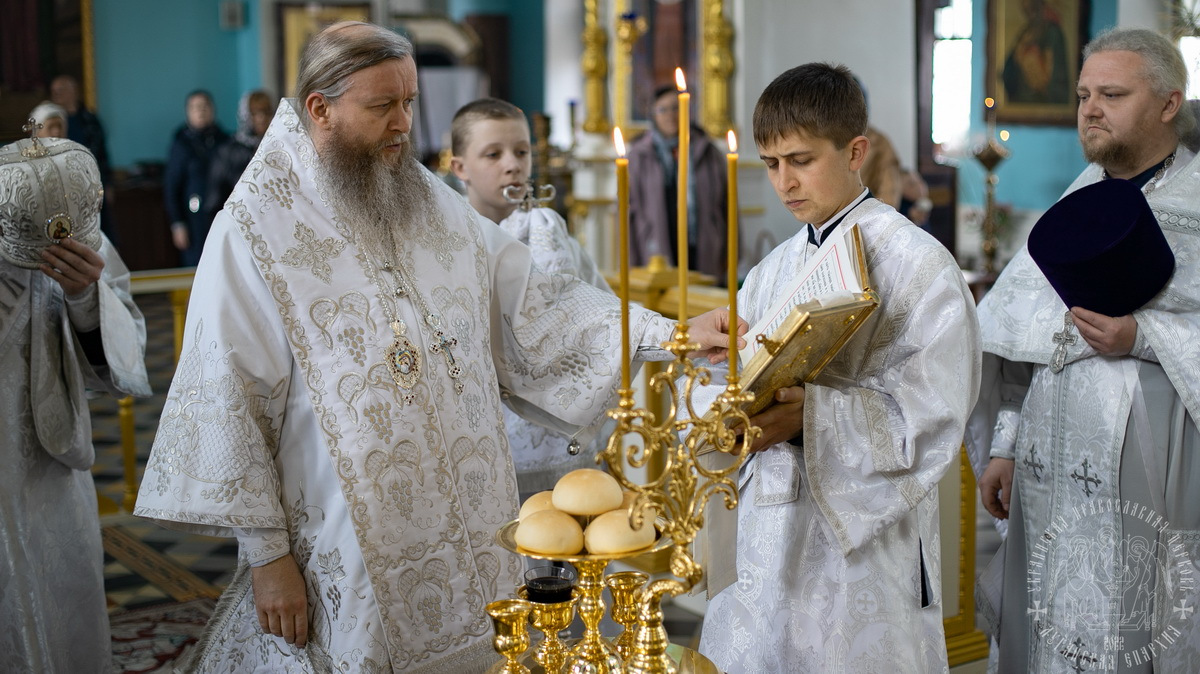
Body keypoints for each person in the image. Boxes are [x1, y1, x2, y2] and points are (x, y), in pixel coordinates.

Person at [133, 22, 735, 672]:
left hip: (471, 526)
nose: (403, 123)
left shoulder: (432, 206)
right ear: (320, 108)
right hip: (344, 535)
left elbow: (538, 306)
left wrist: (670, 333)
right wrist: (267, 559)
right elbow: (230, 398)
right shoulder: (255, 232)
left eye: (410, 102)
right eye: (381, 106)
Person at [696, 62, 981, 673]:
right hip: (768, 531)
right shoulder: (774, 267)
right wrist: (728, 401)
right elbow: (731, 375)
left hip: (861, 549)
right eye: (771, 164)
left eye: (801, 160)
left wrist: (812, 418)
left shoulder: (920, 266)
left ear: (855, 152)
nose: (784, 182)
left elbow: (933, 416)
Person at [969, 28, 1200, 673]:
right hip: (1047, 462)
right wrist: (1005, 446)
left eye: (1112, 95)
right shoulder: (1078, 202)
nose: (1090, 110)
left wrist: (1143, 337)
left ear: (1168, 104)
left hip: (1156, 456)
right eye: (1082, 95)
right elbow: (1020, 345)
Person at [0, 135, 150, 671]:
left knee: (58, 603)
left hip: (47, 468)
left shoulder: (77, 223)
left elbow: (126, 339)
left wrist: (87, 297)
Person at [449, 97, 610, 495]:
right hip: (492, 437)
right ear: (460, 167)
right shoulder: (450, 243)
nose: (513, 165)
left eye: (521, 152)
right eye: (493, 154)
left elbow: (598, 308)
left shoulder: (551, 233)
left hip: (566, 435)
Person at [628, 84, 729, 285]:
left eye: (676, 108)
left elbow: (726, 205)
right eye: (662, 109)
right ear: (653, 115)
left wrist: (730, 252)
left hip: (702, 243)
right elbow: (630, 209)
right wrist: (632, 259)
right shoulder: (639, 155)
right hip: (657, 243)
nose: (670, 115)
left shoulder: (708, 151)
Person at [50, 74, 118, 243]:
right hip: (64, 186)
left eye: (60, 90)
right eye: (54, 91)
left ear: (73, 91)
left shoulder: (89, 120)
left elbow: (102, 153)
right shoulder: (53, 122)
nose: (56, 94)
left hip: (92, 182)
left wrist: (108, 183)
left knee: (101, 230)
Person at [164, 89, 227, 266]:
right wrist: (177, 223)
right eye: (196, 107)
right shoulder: (181, 143)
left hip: (221, 214)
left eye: (205, 106)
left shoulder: (224, 140)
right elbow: (172, 186)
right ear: (188, 112)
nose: (201, 111)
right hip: (193, 219)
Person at [203, 89, 274, 223]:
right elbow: (214, 198)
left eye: (266, 112)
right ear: (245, 115)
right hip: (237, 222)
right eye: (255, 113)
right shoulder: (228, 151)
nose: (261, 118)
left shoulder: (276, 146)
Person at [1001, 0, 1071, 105]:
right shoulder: (1025, 33)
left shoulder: (1053, 33)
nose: (1031, 15)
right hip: (1021, 98)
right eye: (1027, 11)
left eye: (1033, 9)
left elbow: (1058, 76)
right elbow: (1008, 71)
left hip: (1044, 99)